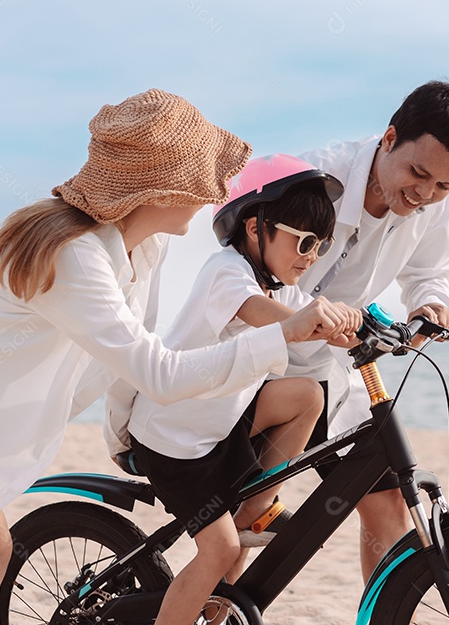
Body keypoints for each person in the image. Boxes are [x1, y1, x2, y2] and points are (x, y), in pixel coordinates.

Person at [0, 89, 348, 625]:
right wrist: (283, 336)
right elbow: (160, 374)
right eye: (201, 177)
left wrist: (122, 436)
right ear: (163, 190)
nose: (214, 191)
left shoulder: (144, 248)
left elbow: (132, 354)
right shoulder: (76, 258)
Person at [104, 154, 361, 625]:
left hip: (219, 423)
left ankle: (254, 510)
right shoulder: (227, 272)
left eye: (321, 247)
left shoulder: (279, 283)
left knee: (308, 396)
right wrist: (312, 323)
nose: (310, 257)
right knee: (218, 550)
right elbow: (258, 312)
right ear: (253, 227)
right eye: (304, 241)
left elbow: (307, 312)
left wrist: (357, 325)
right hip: (174, 440)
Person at [292, 80, 449, 579]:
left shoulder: (431, 201)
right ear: (389, 137)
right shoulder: (315, 182)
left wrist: (433, 305)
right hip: (259, 355)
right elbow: (247, 278)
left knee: (386, 504)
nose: (425, 194)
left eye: (445, 186)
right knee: (239, 519)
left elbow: (430, 272)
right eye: (418, 172)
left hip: (339, 360)